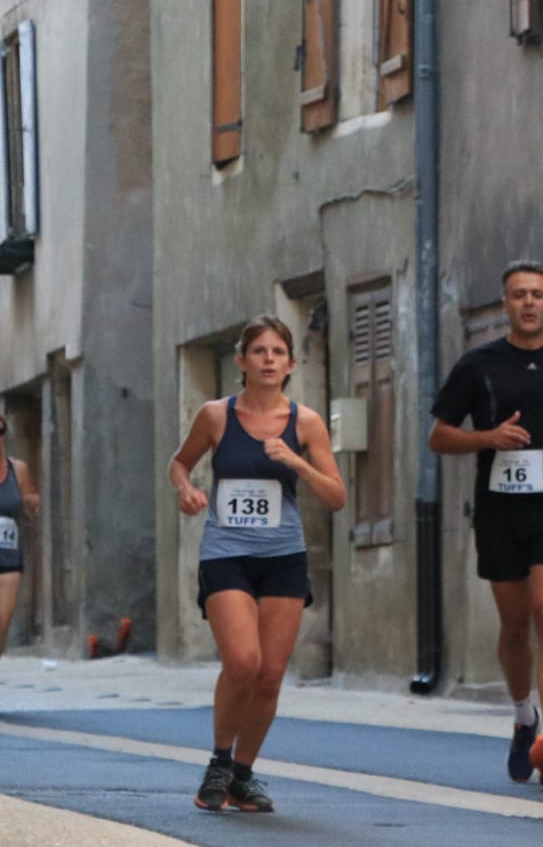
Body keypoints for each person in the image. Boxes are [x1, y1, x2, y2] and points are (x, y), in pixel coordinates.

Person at [429, 260, 543, 788]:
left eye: (537, 294)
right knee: (514, 625)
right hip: (501, 507)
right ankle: (523, 714)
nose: (528, 303)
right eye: (518, 295)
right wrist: (486, 440)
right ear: (505, 305)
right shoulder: (478, 365)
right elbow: (439, 437)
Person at [168, 315, 346, 814]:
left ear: (291, 364)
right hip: (226, 554)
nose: (269, 360)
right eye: (259, 351)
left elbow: (336, 497)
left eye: (278, 352)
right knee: (243, 661)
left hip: (282, 557)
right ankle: (219, 762)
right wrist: (186, 489)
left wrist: (298, 462)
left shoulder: (305, 423)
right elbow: (180, 461)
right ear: (242, 361)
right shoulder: (216, 416)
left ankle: (243, 775)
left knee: (269, 674)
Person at [0, 408, 42, 658]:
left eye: (0, 430)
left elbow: (28, 499)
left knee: (2, 622)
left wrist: (33, 503)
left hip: (9, 556)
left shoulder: (19, 469)